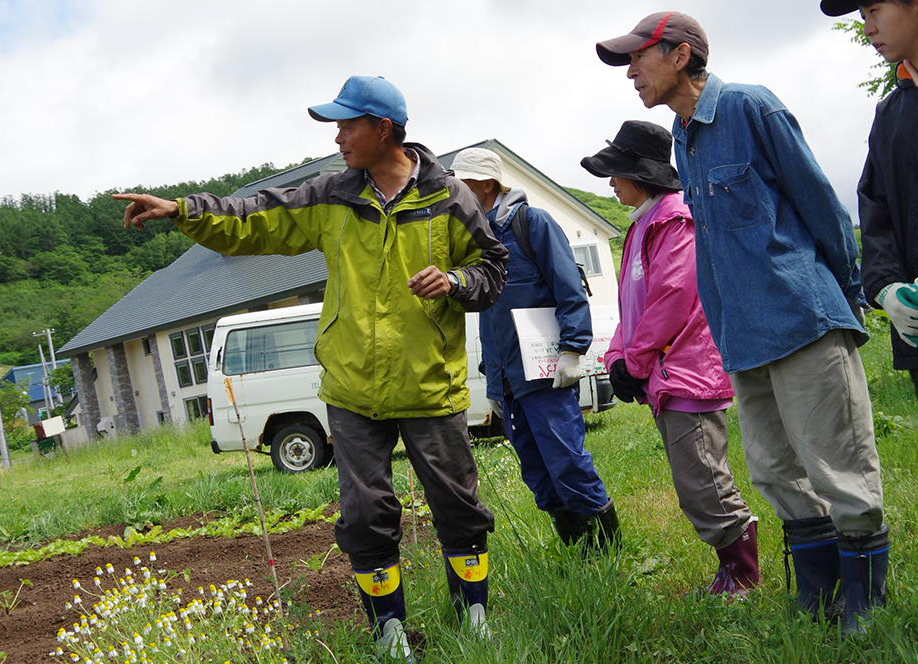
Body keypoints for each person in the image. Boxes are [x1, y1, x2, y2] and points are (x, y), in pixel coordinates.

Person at [113, 75, 508, 662]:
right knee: (365, 514)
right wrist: (184, 211)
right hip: (352, 389)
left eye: (347, 126)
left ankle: (473, 616)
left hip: (430, 385)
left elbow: (492, 268)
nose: (338, 137)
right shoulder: (332, 196)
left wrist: (454, 281)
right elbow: (256, 217)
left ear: (384, 129)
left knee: (457, 506)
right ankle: (389, 631)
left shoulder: (449, 198)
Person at [596, 12, 889, 633]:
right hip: (743, 338)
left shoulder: (752, 108)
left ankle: (866, 608)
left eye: (639, 56)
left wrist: (850, 297)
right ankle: (818, 599)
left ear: (681, 55)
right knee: (774, 471)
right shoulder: (683, 137)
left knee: (839, 467)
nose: (630, 71)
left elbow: (822, 205)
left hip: (802, 319)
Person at [581, 120, 758, 597]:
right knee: (694, 479)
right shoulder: (643, 223)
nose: (611, 183)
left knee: (704, 480)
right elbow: (632, 306)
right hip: (665, 372)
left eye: (616, 173)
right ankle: (731, 570)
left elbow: (672, 297)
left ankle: (742, 575)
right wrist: (618, 356)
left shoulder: (674, 221)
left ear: (640, 176)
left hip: (688, 372)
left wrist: (635, 361)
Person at [819, 0, 918, 504]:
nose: (867, 27)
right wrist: (887, 290)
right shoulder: (890, 111)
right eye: (861, 16)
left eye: (874, 10)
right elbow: (874, 206)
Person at [451, 147, 620, 551]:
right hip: (508, 380)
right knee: (535, 470)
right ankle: (578, 550)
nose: (455, 194)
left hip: (546, 375)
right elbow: (489, 318)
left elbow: (569, 287)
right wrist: (493, 381)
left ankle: (608, 551)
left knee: (566, 461)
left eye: (462, 184)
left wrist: (573, 349)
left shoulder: (532, 224)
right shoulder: (474, 241)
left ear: (486, 184)